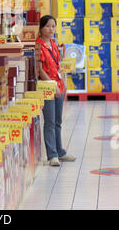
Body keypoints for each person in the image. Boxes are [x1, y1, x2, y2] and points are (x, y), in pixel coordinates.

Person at [36, 15, 76, 166]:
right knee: (50, 122)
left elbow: (58, 65)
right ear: (41, 28)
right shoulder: (39, 45)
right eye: (48, 26)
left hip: (58, 86)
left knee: (58, 121)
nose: (51, 29)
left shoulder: (53, 43)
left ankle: (60, 152)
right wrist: (52, 84)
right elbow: (40, 70)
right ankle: (52, 155)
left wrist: (63, 82)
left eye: (53, 26)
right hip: (48, 88)